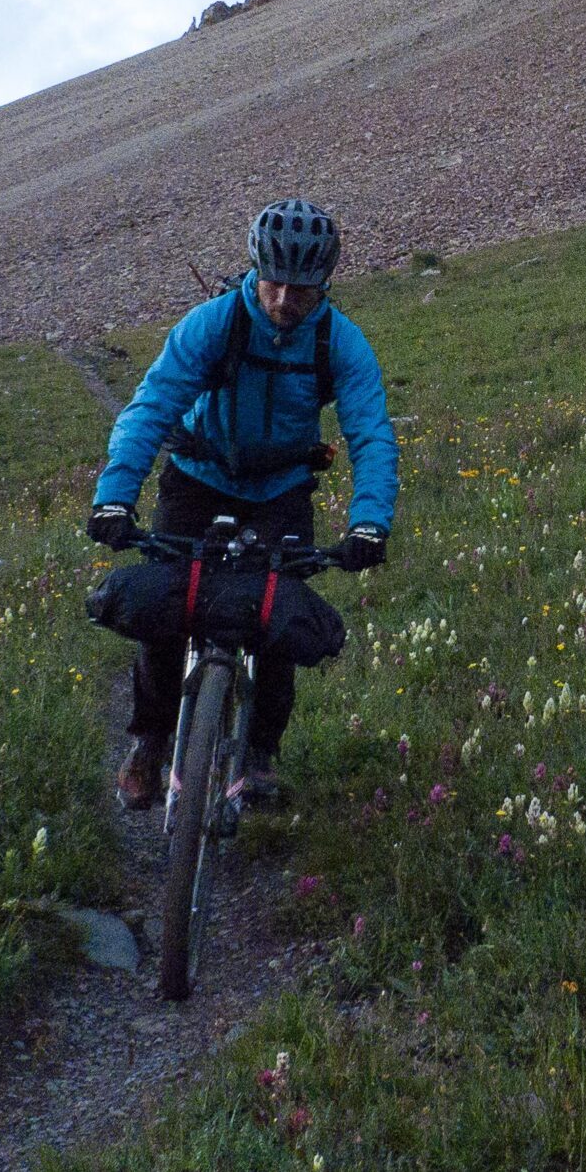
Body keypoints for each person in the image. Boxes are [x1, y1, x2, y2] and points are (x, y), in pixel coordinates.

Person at [86, 198, 397, 809]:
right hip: (196, 477)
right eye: (273, 281)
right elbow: (151, 407)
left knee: (275, 617)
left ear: (325, 282)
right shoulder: (214, 323)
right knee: (167, 607)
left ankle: (259, 752)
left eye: (301, 287)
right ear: (256, 269)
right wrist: (114, 500)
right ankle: (150, 741)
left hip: (281, 490)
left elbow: (371, 434)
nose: (284, 299)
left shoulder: (341, 343)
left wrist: (369, 523)